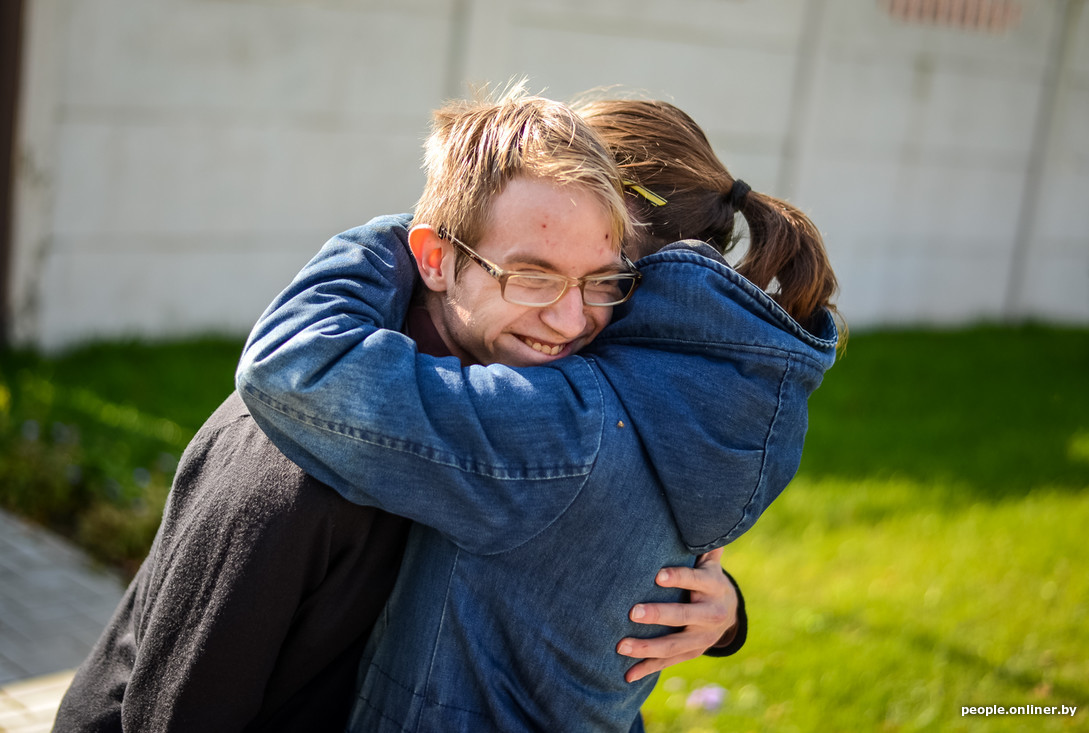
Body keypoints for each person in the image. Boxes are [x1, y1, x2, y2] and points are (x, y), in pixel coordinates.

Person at [51, 91, 743, 733]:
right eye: (532, 274)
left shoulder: (539, 422)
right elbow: (182, 707)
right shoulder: (293, 451)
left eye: (603, 281)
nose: (570, 318)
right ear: (438, 259)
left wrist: (717, 603)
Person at [235, 91, 839, 730]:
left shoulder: (562, 425)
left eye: (599, 275)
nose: (570, 314)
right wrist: (729, 611)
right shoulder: (723, 386)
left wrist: (418, 232)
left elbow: (296, 366)